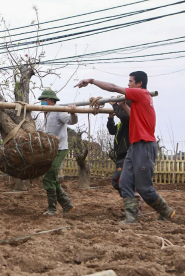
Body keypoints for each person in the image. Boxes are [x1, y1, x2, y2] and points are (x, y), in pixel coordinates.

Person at [75, 71, 175, 223]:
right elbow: (132, 117)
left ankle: (166, 211)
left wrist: (91, 80)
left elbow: (114, 87)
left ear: (139, 83)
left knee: (144, 188)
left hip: (145, 145)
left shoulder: (141, 93)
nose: (128, 84)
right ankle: (131, 217)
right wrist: (122, 105)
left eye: (130, 81)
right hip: (134, 147)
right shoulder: (139, 101)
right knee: (124, 183)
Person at [38, 89, 77, 215]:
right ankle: (67, 205)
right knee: (52, 178)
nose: (41, 103)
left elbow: (72, 121)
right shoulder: (48, 113)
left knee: (48, 178)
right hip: (51, 150)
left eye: (43, 100)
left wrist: (73, 113)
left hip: (60, 149)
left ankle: (52, 209)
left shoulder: (58, 110)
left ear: (50, 100)